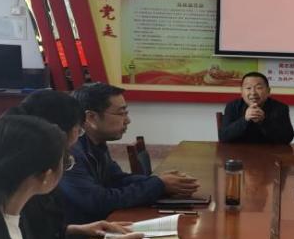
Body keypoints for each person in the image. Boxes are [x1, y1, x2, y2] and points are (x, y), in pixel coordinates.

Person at [9, 90, 146, 239]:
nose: (79, 138)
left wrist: (75, 230)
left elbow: (36, 231)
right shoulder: (23, 181)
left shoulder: (29, 164)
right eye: (79, 130)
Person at [58, 83, 199, 224]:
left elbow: (117, 179)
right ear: (91, 117)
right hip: (81, 233)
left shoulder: (96, 143)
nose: (128, 120)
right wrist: (158, 185)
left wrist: (160, 182)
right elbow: (98, 201)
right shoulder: (70, 152)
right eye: (121, 113)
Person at [218, 71, 294, 145]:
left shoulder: (280, 108)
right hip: (238, 152)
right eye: (248, 88)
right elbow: (223, 137)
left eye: (259, 88)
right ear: (241, 92)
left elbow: (287, 138)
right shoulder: (232, 106)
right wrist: (245, 119)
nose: (253, 93)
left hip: (270, 152)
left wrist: (263, 121)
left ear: (268, 91)